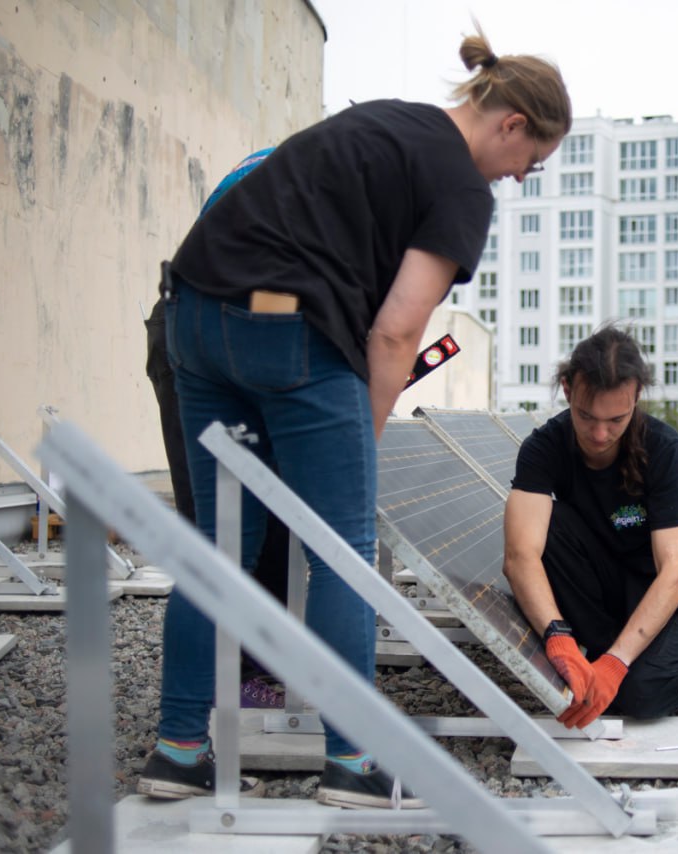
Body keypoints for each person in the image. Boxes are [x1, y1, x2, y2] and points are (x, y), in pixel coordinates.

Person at [138, 26, 571, 809]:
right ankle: (354, 761)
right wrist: (359, 441)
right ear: (511, 124)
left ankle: (177, 751)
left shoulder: (385, 118)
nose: (518, 178)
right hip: (289, 332)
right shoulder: (461, 185)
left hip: (191, 320)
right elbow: (398, 332)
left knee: (219, 547)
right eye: (529, 163)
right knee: (341, 549)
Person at [502, 325, 678, 731]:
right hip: (612, 575)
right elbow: (520, 556)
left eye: (616, 419)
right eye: (586, 416)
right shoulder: (544, 447)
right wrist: (557, 637)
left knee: (639, 695)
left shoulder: (663, 448)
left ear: (637, 394)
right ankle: (621, 646)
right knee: (543, 525)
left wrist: (616, 662)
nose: (599, 434)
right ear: (568, 390)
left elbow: (675, 574)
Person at [144, 147, 290, 711]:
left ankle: (259, 659)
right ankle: (225, 680)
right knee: (224, 518)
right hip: (209, 330)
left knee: (268, 510)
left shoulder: (299, 167)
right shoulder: (320, 189)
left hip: (228, 322)